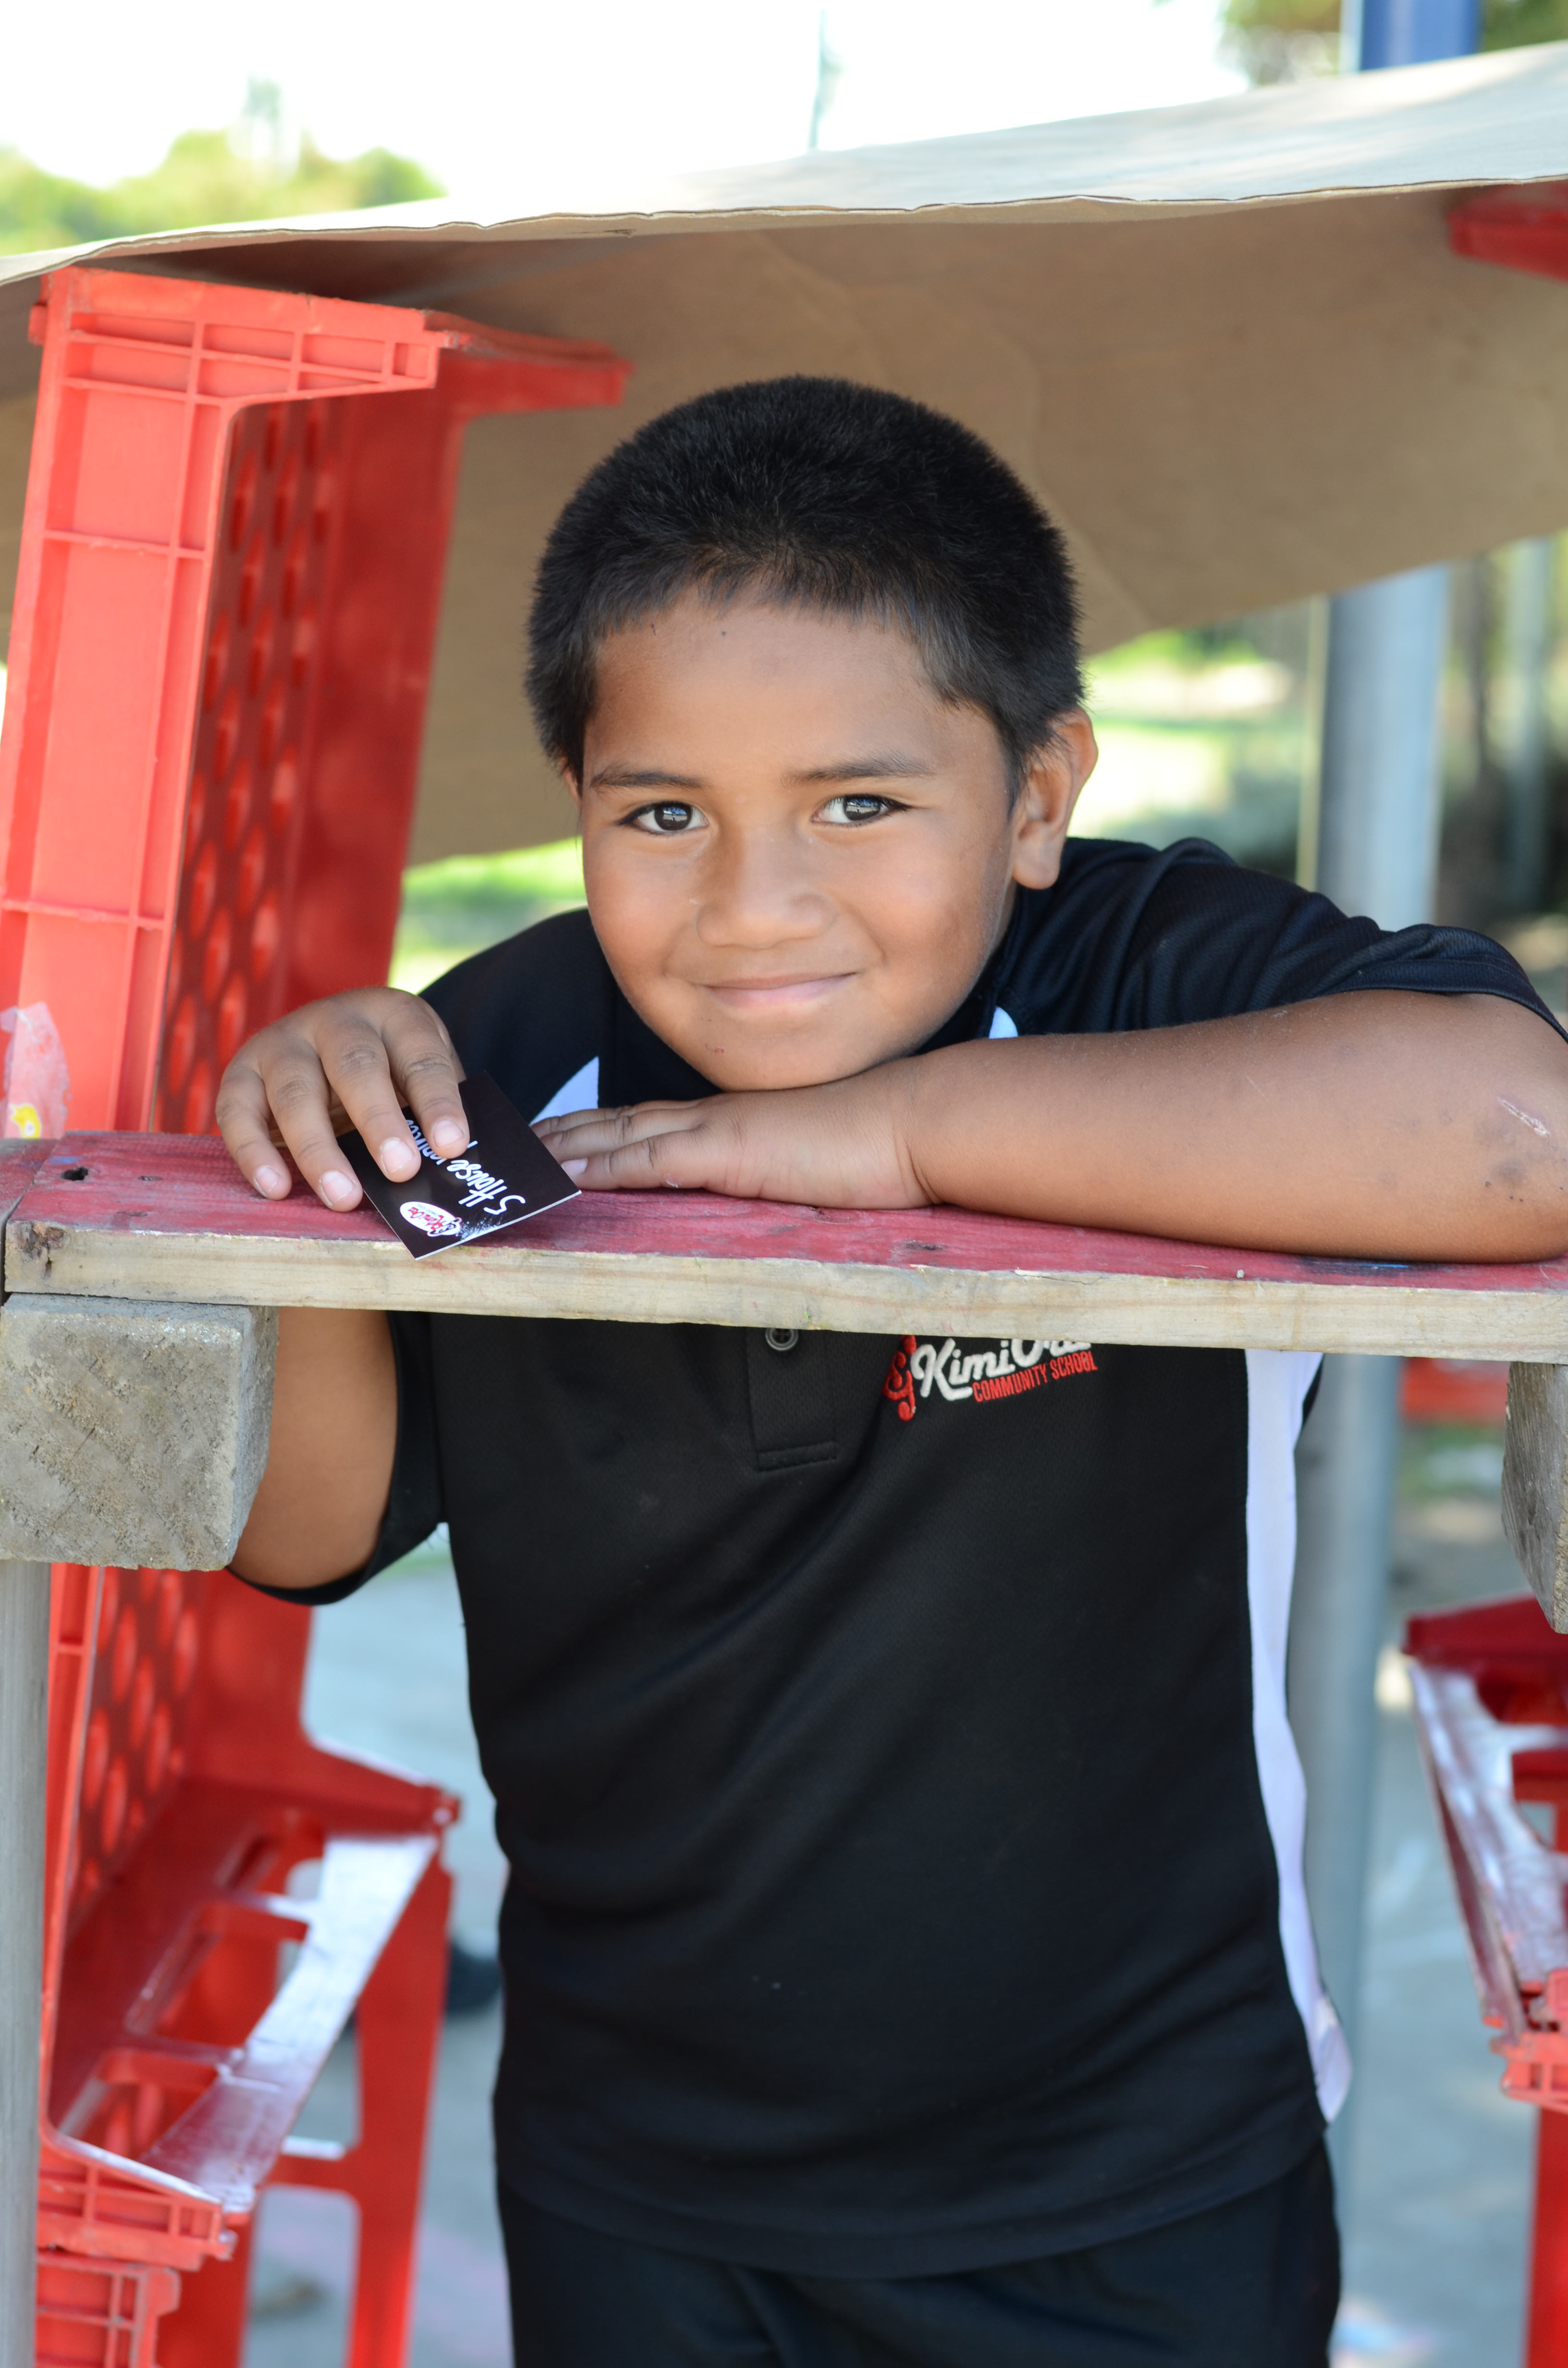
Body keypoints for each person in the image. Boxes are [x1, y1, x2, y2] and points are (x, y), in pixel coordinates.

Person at [220, 378, 1568, 2368]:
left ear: (1035, 795)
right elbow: (304, 1526)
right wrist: (311, 1163)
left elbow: (1519, 1134)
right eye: (663, 812)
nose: (758, 906)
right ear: (577, 799)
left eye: (860, 805)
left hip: (1142, 2177)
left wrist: (913, 1137)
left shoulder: (1151, 975)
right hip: (646, 2177)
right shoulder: (514, 1052)